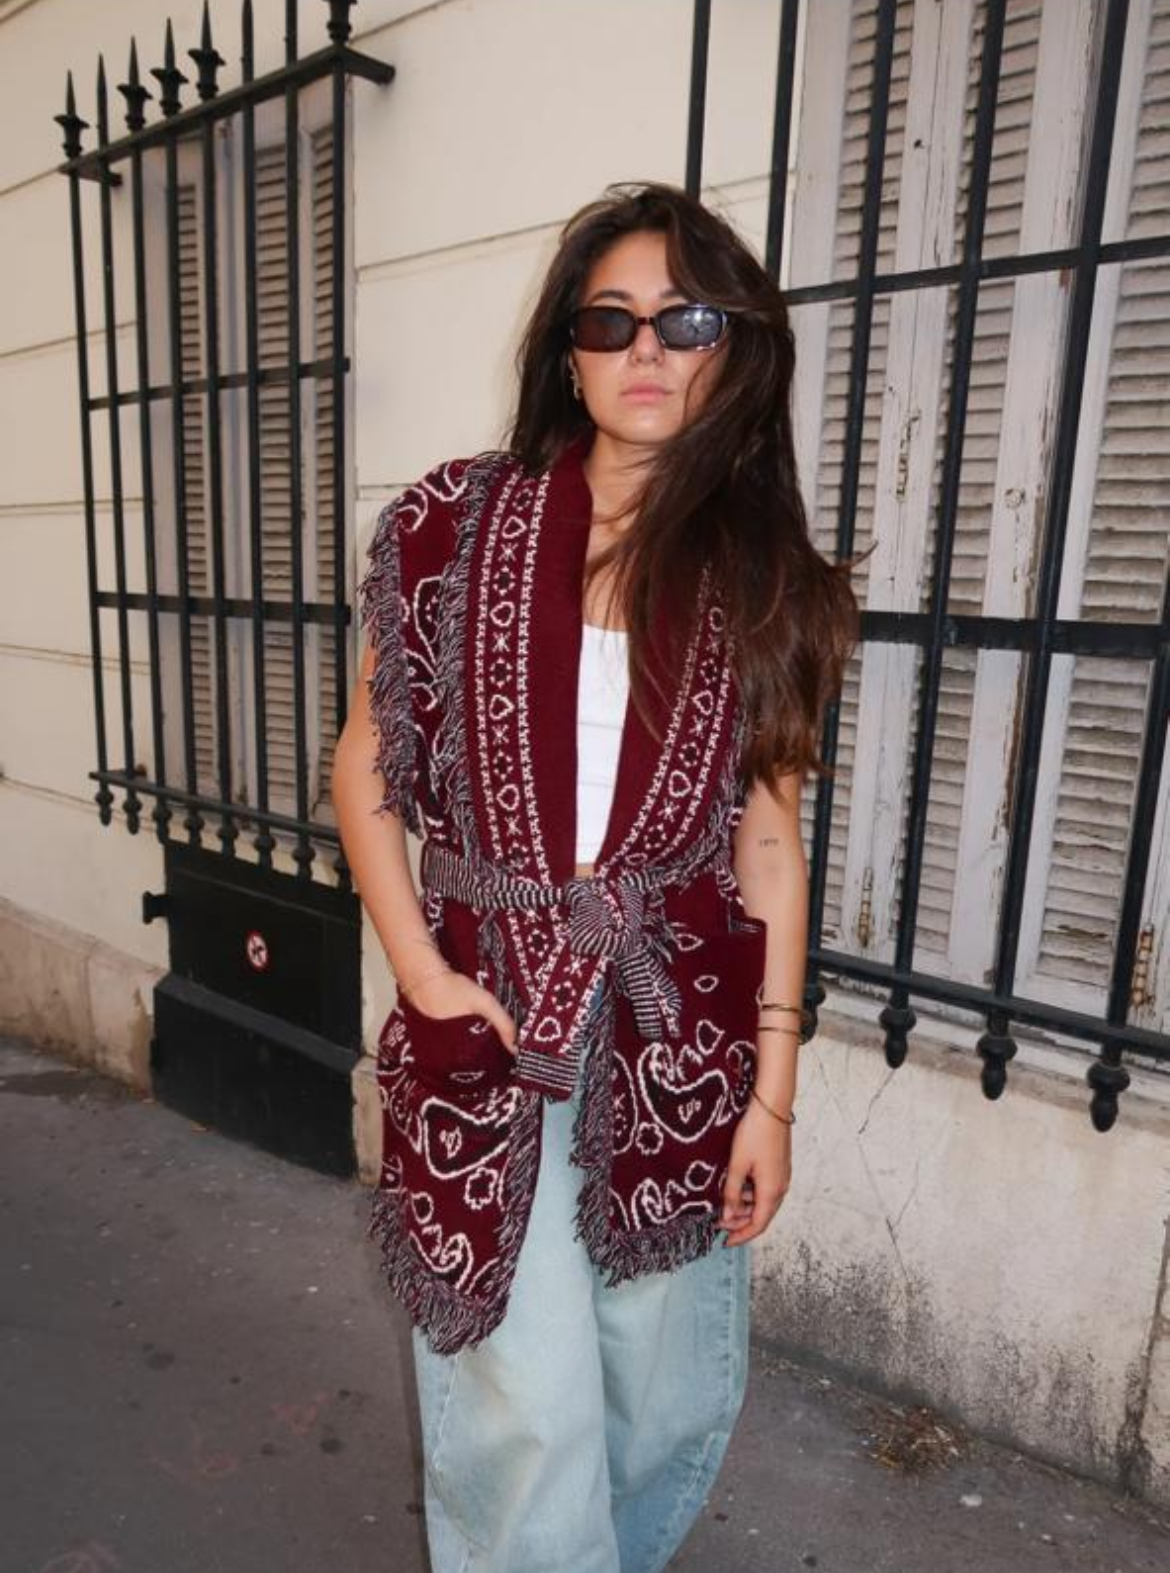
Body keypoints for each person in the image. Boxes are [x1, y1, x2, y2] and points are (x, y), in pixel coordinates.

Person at [333, 181, 859, 1573]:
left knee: (661, 1386)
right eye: (609, 320)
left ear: (734, 349)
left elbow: (766, 841)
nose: (646, 351)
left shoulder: (769, 581)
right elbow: (364, 766)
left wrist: (773, 1095)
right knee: (526, 1405)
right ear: (566, 351)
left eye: (685, 322)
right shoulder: (449, 527)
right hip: (486, 1014)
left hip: (676, 1030)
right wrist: (423, 973)